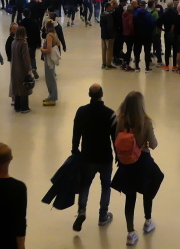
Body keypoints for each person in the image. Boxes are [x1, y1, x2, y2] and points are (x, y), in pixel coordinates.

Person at [111, 91, 163, 247]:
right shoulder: (146, 122)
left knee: (130, 197)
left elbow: (116, 140)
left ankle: (130, 232)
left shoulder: (120, 121)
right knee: (150, 186)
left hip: (126, 163)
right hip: (143, 161)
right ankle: (148, 220)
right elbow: (153, 144)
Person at [72, 84, 116, 231]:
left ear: (89, 95)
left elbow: (76, 132)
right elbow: (114, 137)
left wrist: (75, 149)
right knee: (106, 186)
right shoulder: (110, 114)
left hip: (87, 156)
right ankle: (103, 216)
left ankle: (81, 211)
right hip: (105, 156)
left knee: (85, 184)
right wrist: (118, 155)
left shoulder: (82, 111)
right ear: (102, 94)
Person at [11, 26, 33, 113]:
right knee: (24, 87)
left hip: (14, 68)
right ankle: (24, 107)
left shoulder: (13, 42)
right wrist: (29, 69)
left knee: (16, 87)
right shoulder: (24, 44)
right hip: (22, 69)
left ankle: (17, 106)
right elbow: (26, 58)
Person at [40, 20, 62, 106]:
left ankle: (52, 97)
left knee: (50, 78)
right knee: (51, 76)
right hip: (53, 58)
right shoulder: (55, 34)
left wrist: (42, 49)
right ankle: (51, 96)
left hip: (49, 58)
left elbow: (48, 49)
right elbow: (58, 44)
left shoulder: (49, 36)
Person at [100, 1, 116, 69]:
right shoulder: (109, 16)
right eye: (111, 7)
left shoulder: (102, 14)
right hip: (108, 36)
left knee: (103, 50)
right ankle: (108, 64)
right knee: (109, 50)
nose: (112, 8)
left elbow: (101, 25)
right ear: (108, 7)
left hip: (103, 35)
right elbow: (110, 27)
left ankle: (103, 64)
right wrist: (111, 36)